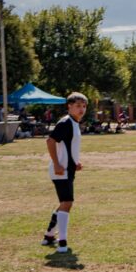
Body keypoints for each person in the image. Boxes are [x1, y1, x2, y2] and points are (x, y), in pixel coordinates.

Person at [42, 93, 87, 253]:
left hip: (68, 169)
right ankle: (62, 242)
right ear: (69, 106)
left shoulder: (74, 123)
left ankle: (48, 236)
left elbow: (68, 147)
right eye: (77, 106)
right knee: (67, 203)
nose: (81, 109)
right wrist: (57, 164)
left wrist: (76, 162)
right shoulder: (66, 122)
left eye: (83, 106)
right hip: (61, 171)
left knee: (64, 203)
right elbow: (50, 141)